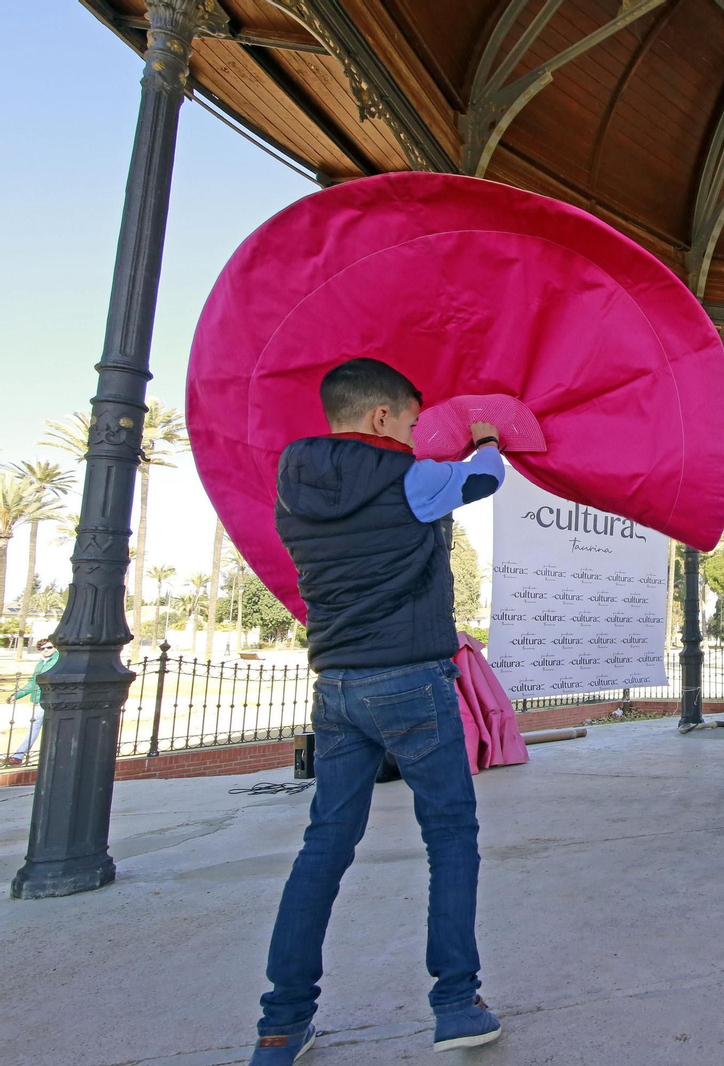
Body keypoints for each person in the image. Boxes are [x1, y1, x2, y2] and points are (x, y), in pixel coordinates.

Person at [250, 358, 507, 1064]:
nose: (419, 434)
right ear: (381, 416)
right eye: (414, 421)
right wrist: (486, 435)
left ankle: (281, 1024)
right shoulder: (411, 478)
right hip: (412, 680)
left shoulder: (292, 480)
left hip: (335, 686)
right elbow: (487, 477)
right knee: (449, 834)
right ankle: (456, 1003)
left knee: (325, 844)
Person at [6, 639, 59, 766]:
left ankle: (18, 756)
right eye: (42, 648)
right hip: (38, 699)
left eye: (49, 647)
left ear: (55, 647)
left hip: (49, 699)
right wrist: (16, 695)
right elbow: (33, 683)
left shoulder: (58, 660)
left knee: (36, 727)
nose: (45, 650)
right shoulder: (41, 664)